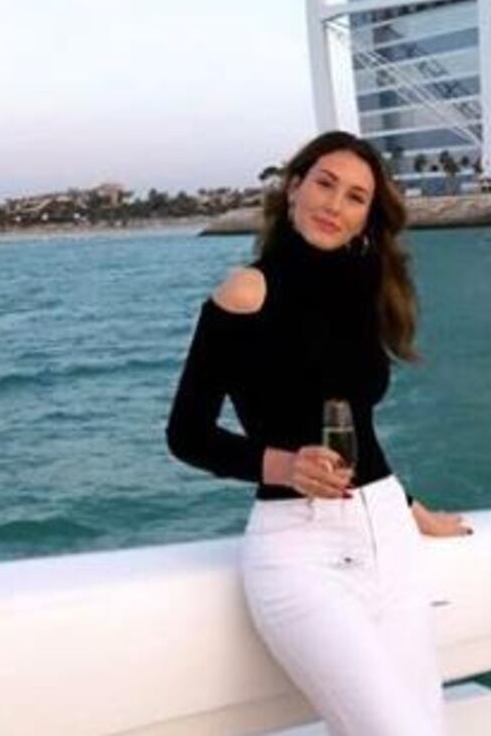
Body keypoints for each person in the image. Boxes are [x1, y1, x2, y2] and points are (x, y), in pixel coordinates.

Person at [166, 129, 470, 736]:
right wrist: (282, 465)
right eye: (325, 184)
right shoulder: (246, 290)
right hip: (300, 552)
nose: (336, 205)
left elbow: (362, 433)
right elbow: (186, 433)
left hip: (389, 538)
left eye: (356, 197)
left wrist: (411, 509)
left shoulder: (364, 284)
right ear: (295, 188)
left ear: (366, 217)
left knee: (421, 723)